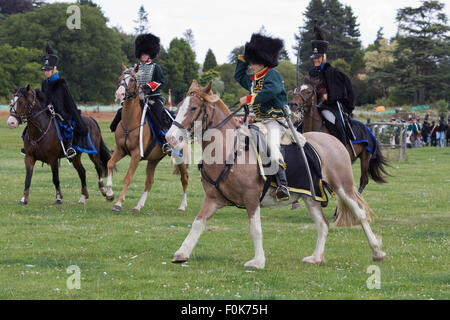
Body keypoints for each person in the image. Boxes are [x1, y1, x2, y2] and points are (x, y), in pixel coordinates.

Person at [234, 33, 301, 201]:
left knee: (271, 146)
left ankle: (282, 184)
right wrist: (242, 59)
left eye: (253, 62)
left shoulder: (273, 75)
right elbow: (239, 77)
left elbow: (269, 92)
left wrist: (248, 99)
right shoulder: (254, 78)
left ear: (263, 60)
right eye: (250, 62)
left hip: (275, 122)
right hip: (258, 122)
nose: (251, 66)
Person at [110, 33, 171, 154]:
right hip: (137, 99)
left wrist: (148, 87)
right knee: (120, 112)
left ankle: (164, 141)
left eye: (146, 53)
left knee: (157, 117)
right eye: (142, 53)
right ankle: (117, 138)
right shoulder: (134, 68)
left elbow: (160, 81)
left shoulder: (155, 67)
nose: (143, 55)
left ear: (150, 54)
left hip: (152, 98)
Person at [308, 20, 355, 146]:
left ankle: (343, 144)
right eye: (314, 58)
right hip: (313, 105)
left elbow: (337, 91)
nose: (316, 60)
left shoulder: (332, 72)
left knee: (332, 120)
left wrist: (326, 94)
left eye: (318, 58)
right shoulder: (312, 72)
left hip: (329, 106)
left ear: (323, 57)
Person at [40, 42, 90, 159]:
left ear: (53, 70)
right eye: (45, 70)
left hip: (61, 112)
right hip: (47, 112)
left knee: (66, 126)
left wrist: (55, 108)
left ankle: (69, 148)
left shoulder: (61, 83)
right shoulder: (44, 83)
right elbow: (44, 97)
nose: (46, 72)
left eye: (48, 70)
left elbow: (67, 102)